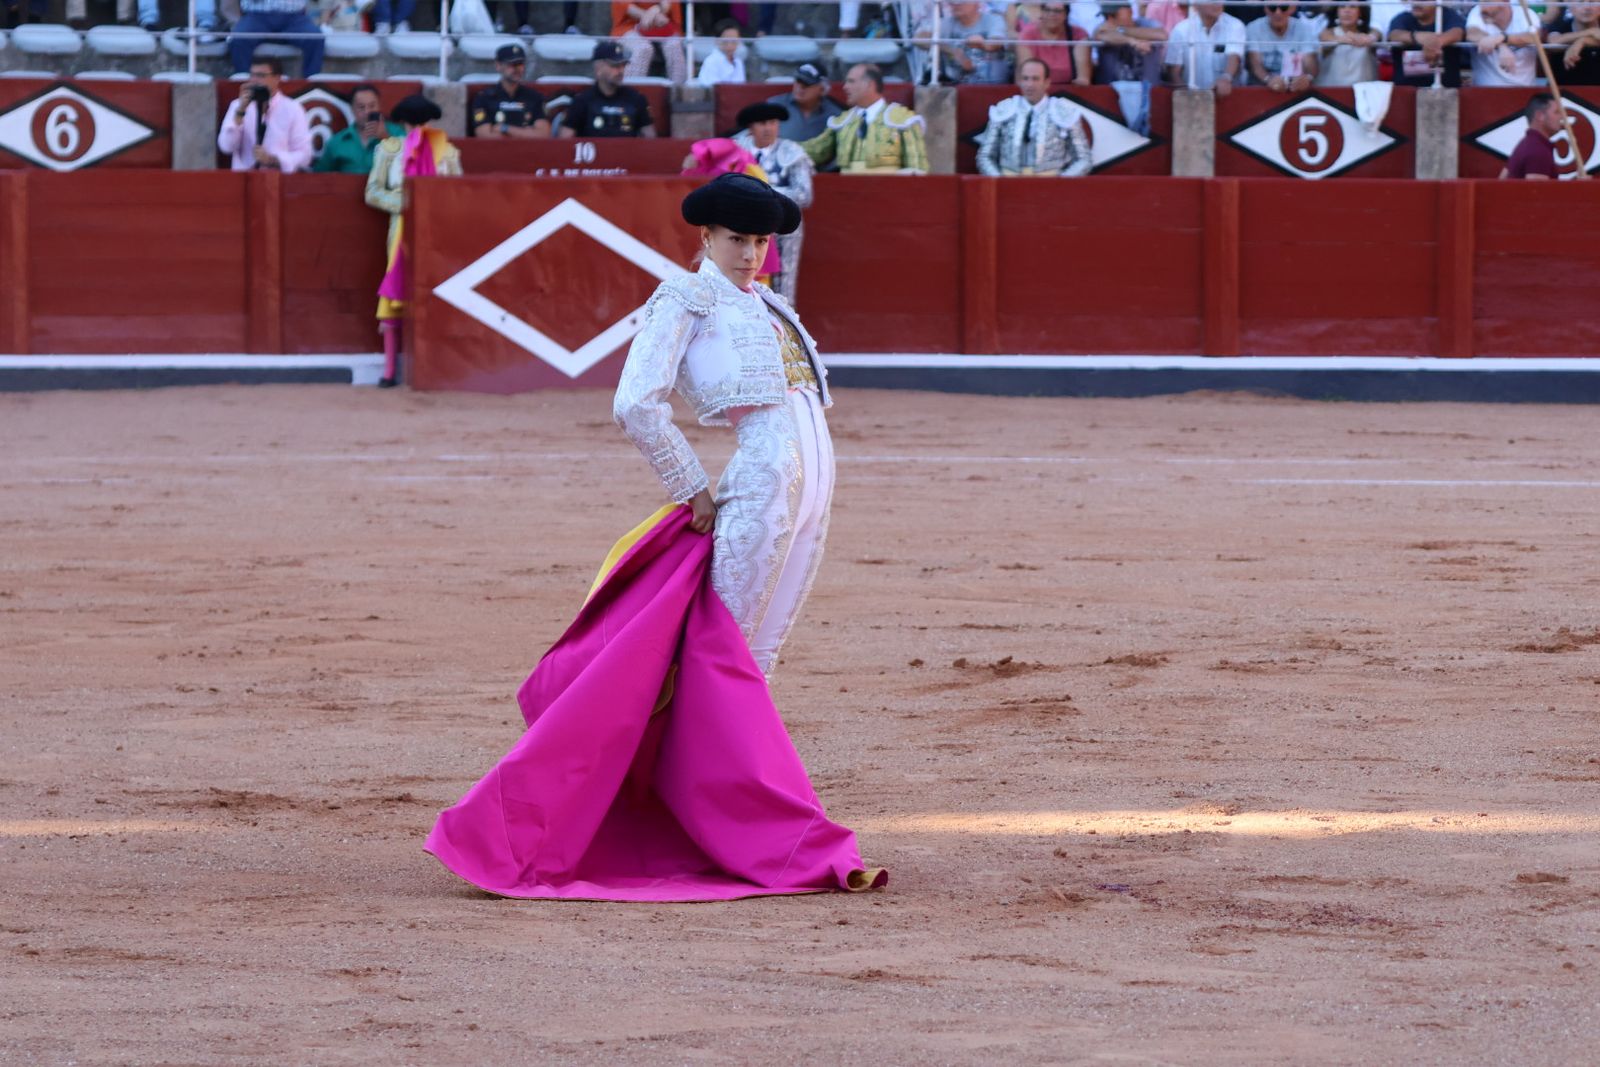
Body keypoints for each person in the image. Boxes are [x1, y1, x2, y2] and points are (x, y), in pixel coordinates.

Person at [423, 180, 887, 906]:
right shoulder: (684, 298)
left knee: (754, 664)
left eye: (760, 241)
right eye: (736, 239)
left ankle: (733, 824)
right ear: (705, 237)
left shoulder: (768, 304)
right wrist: (690, 485)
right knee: (722, 664)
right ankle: (728, 829)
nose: (750, 254)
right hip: (762, 490)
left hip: (811, 493)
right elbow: (634, 402)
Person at [365, 95, 463, 388]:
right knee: (397, 290)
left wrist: (426, 207)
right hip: (401, 231)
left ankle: (418, 369)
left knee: (426, 293)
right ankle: (391, 370)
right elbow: (372, 192)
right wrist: (407, 204)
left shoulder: (447, 152)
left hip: (436, 231)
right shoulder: (389, 150)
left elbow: (456, 195)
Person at [732, 102, 815, 305]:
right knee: (741, 276)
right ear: (751, 127)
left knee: (784, 281)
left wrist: (763, 192)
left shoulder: (791, 152)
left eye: (773, 122)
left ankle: (784, 324)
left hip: (783, 227)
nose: (768, 128)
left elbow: (804, 195)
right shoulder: (735, 149)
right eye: (762, 123)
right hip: (743, 228)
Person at [802, 63, 929, 174]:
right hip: (847, 190)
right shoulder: (842, 122)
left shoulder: (903, 120)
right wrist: (789, 146)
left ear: (869, 85)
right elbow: (816, 150)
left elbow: (917, 169)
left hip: (887, 191)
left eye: (851, 81)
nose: (845, 87)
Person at [976, 58, 1093, 176]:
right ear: (1019, 81)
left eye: (1035, 79)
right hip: (1009, 179)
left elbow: (1084, 159)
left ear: (1047, 83)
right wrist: (1000, 181)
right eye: (1025, 78)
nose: (1029, 85)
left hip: (1050, 182)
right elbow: (984, 156)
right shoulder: (1003, 110)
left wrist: (1060, 183)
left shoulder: (1064, 112)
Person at [216, 55, 314, 173]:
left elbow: (305, 155)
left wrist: (273, 160)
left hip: (278, 179)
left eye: (261, 76)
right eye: (252, 75)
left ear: (277, 78)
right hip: (244, 178)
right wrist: (240, 113)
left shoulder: (293, 109)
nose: (255, 80)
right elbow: (226, 147)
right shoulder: (237, 105)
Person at [561, 41, 659, 137]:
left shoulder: (636, 99)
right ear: (598, 69)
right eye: (615, 66)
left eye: (623, 65)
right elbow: (565, 142)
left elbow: (651, 140)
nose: (621, 71)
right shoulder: (582, 101)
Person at [915, 0, 1012, 84]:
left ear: (977, 3)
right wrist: (952, 51)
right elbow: (918, 39)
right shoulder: (947, 23)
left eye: (961, 0)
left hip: (993, 87)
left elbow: (997, 42)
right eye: (952, 1)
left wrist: (983, 45)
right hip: (955, 89)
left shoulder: (993, 19)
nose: (955, 4)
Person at [312, 84, 402, 174]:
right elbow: (318, 176)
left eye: (372, 106)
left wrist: (385, 137)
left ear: (379, 106)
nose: (367, 111)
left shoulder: (397, 132)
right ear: (352, 109)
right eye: (361, 107)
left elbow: (406, 164)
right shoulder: (337, 142)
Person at [469, 44, 552, 139]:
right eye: (511, 64)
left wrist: (505, 128)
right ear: (498, 66)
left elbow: (543, 134)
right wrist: (527, 133)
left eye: (520, 64)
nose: (517, 69)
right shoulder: (484, 98)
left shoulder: (535, 97)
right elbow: (484, 135)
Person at [1164, 1, 1247, 93]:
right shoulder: (1181, 29)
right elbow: (1174, 72)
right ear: (1195, 4)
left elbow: (1234, 56)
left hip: (1228, 96)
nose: (1217, 3)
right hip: (1191, 95)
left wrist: (1226, 78)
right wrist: (1186, 95)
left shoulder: (1235, 25)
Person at [229, 0, 325, 78]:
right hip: (256, 15)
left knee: (315, 38)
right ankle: (245, 84)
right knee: (238, 39)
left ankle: (311, 84)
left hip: (294, 16)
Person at [1387, 0, 1467, 88]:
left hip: (1445, 90)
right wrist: (1417, 36)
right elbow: (1394, 35)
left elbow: (1457, 33)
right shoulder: (1403, 18)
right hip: (1406, 90)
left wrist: (1433, 44)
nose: (1417, 3)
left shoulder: (1450, 16)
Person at [1246, 1, 1320, 90]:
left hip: (1295, 88)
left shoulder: (1303, 29)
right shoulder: (1254, 27)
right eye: (1272, 7)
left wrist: (1307, 78)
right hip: (1262, 87)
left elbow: (1310, 61)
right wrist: (1268, 79)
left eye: (1284, 7)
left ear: (1292, 8)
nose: (1278, 12)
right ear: (1265, 9)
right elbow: (1255, 63)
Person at [1465, 0, 1540, 87]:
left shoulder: (1525, 13)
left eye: (1488, 1)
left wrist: (1503, 38)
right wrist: (1501, 46)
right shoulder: (1478, 11)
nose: (1482, 5)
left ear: (1506, 1)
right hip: (1486, 90)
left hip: (1526, 90)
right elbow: (1472, 34)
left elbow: (1534, 37)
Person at [1019, 2, 1092, 90]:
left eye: (1057, 11)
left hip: (1070, 90)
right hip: (1036, 90)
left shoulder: (1078, 34)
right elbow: (1024, 75)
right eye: (1047, 10)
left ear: (1066, 14)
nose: (1052, 14)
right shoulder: (1028, 34)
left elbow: (1083, 79)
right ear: (1041, 12)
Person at [765, 63, 844, 144]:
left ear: (822, 89)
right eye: (798, 81)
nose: (800, 87)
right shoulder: (774, 106)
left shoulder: (835, 114)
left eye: (807, 83)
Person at [1094, 1, 1169, 86]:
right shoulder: (1103, 28)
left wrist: (1120, 29)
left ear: (1130, 11)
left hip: (1149, 89)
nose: (1109, 19)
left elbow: (1162, 35)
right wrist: (1132, 42)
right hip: (1110, 90)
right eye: (1105, 16)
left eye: (1113, 15)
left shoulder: (1147, 24)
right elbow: (1100, 35)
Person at [613, 0, 688, 84]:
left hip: (662, 24)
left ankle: (678, 89)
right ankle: (632, 89)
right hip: (629, 27)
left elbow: (668, 4)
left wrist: (657, 9)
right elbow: (626, 6)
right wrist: (650, 15)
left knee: (674, 46)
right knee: (643, 49)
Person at [1501, 92, 1563, 179]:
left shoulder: (1526, 144)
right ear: (1540, 116)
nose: (1561, 117)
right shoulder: (1538, 151)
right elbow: (1537, 188)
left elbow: (1502, 178)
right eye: (1557, 112)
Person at [1316, 2, 1379, 86]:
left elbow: (1376, 34)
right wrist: (1347, 38)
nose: (1347, 11)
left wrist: (1371, 38)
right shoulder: (1327, 32)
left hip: (1363, 90)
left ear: (1361, 12)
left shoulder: (1370, 32)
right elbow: (1325, 38)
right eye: (1342, 6)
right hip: (1332, 89)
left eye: (1352, 7)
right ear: (1337, 11)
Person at [1548, 0, 1600, 84]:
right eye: (1580, 2)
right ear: (1570, 6)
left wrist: (1583, 41)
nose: (1587, 7)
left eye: (1592, 1)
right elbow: (1553, 43)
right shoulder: (1559, 24)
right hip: (1563, 88)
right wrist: (1590, 32)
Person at [696, 18, 747, 85]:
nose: (730, 45)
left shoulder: (738, 62)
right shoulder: (711, 61)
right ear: (717, 40)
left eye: (734, 41)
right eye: (726, 40)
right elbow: (713, 87)